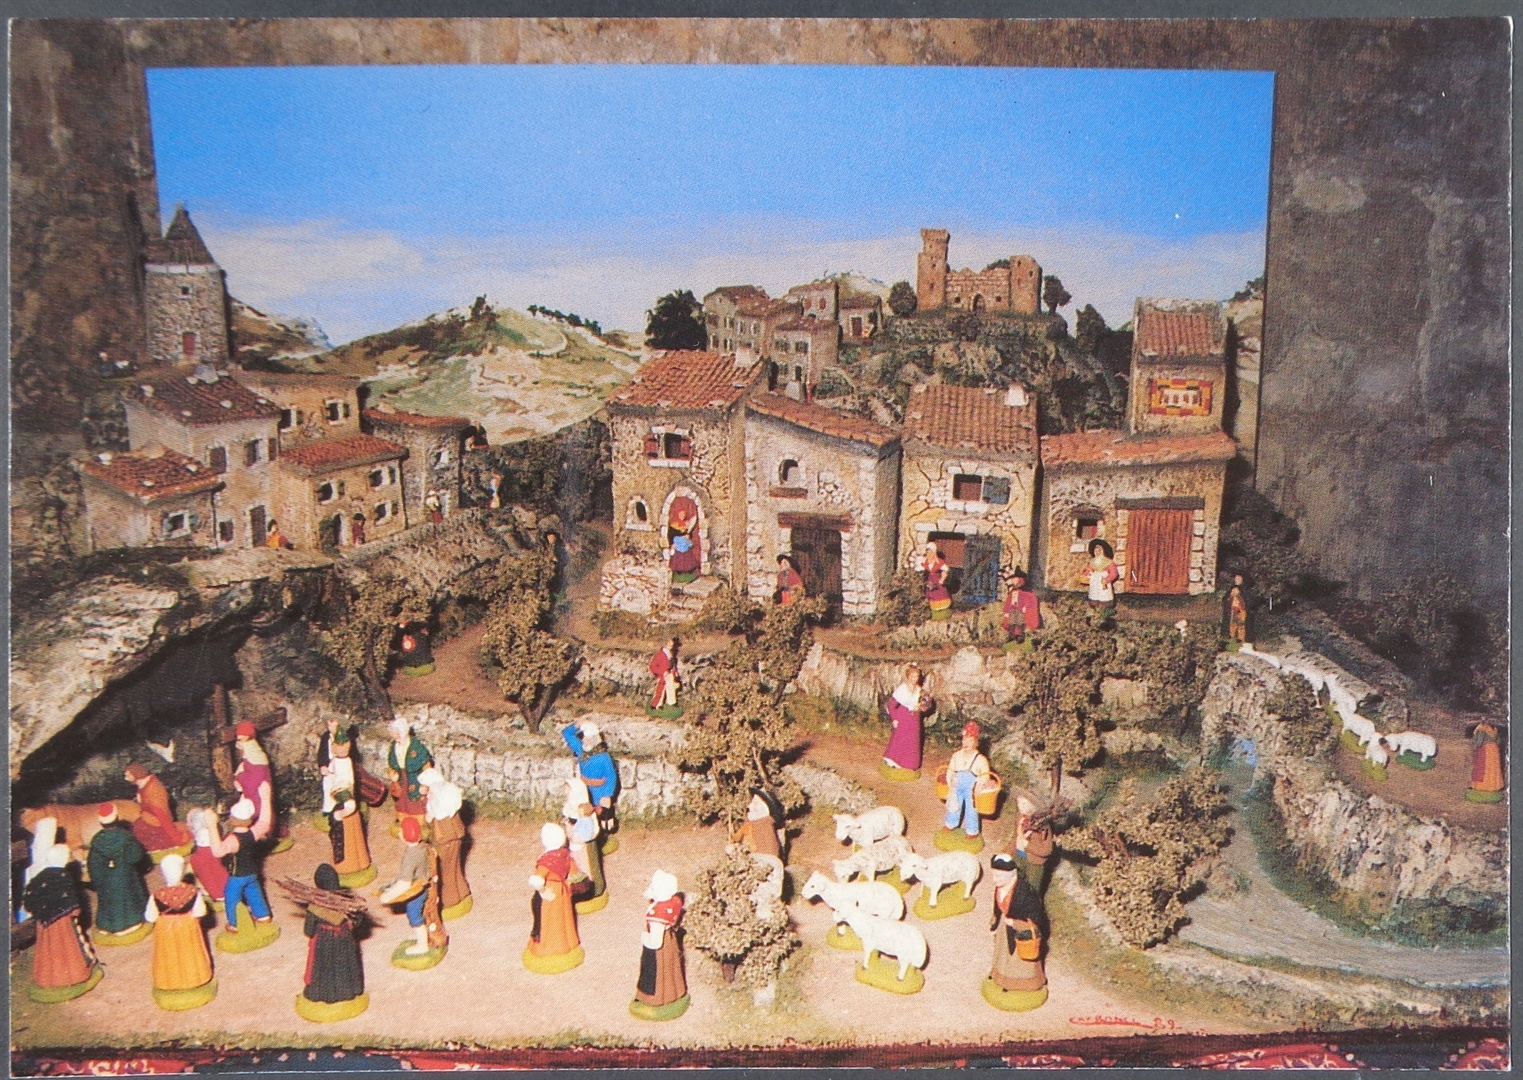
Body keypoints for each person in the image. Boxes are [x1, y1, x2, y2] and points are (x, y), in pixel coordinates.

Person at [22, 844, 100, 1000]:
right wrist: (75, 912)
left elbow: (29, 900)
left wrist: (41, 914)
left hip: (44, 924)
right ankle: (71, 976)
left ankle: (47, 978)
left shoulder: (39, 877)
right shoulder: (64, 877)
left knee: (48, 949)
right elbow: (72, 902)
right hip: (62, 923)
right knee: (66, 948)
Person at [145, 854, 215, 1009]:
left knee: (168, 956)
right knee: (190, 955)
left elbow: (150, 917)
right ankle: (194, 979)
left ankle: (170, 982)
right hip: (187, 927)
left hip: (165, 930)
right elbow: (200, 912)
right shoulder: (192, 892)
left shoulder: (157, 895)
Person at [202, 799, 276, 941]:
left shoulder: (233, 839)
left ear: (232, 819)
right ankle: (263, 916)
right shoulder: (253, 832)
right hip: (252, 873)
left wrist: (211, 826)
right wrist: (265, 797)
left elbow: (218, 851)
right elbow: (265, 822)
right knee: (254, 893)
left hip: (237, 876)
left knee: (231, 897)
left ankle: (235, 924)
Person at [379, 817, 447, 961]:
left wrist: (388, 896)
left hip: (417, 891)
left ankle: (422, 945)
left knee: (415, 916)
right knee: (420, 914)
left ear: (404, 835)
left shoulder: (411, 856)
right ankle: (421, 935)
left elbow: (404, 883)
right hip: (424, 885)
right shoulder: (423, 847)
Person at [300, 864, 366, 1011]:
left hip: (324, 941)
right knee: (345, 966)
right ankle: (348, 991)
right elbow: (358, 919)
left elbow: (308, 930)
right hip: (344, 938)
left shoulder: (315, 905)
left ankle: (322, 994)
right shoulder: (346, 901)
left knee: (324, 969)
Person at [986, 853, 1048, 1007]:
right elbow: (997, 907)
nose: (994, 880)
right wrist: (995, 923)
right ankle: (1000, 978)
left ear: (1009, 875)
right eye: (994, 875)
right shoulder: (1000, 888)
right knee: (1002, 954)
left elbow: (1036, 918)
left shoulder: (1026, 893)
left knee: (1020, 962)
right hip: (1004, 927)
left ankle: (1022, 984)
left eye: (998, 876)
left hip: (1020, 934)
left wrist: (1015, 923)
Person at [86, 803, 149, 942]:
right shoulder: (126, 837)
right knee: (129, 899)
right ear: (117, 818)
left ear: (101, 822)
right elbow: (136, 857)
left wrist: (98, 880)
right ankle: (131, 923)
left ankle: (108, 926)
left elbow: (93, 864)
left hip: (106, 880)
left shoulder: (96, 841)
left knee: (108, 901)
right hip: (125, 876)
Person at [525, 822, 581, 968]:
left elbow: (537, 880)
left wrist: (543, 891)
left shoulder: (547, 862)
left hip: (549, 892)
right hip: (562, 891)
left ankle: (547, 948)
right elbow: (575, 874)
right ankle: (565, 944)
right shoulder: (567, 856)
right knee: (562, 918)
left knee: (548, 921)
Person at [632, 870, 687, 1017]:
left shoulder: (658, 914)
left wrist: (645, 938)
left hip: (659, 947)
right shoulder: (675, 901)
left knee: (656, 972)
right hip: (670, 939)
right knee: (671, 968)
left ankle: (656, 999)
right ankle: (674, 993)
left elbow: (655, 943)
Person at [419, 765, 470, 916]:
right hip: (451, 836)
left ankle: (449, 900)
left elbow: (434, 813)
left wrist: (429, 817)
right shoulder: (442, 794)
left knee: (445, 869)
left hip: (445, 839)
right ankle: (461, 893)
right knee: (454, 867)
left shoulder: (438, 799)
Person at [326, 731, 373, 887]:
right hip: (340, 802)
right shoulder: (339, 762)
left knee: (348, 843)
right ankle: (349, 864)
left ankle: (349, 865)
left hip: (345, 808)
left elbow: (350, 802)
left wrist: (341, 814)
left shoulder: (345, 769)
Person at [562, 720, 620, 834]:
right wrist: (577, 725)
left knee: (602, 816)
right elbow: (567, 734)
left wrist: (607, 795)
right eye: (583, 737)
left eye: (587, 738)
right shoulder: (581, 749)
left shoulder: (604, 757)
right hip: (584, 789)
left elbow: (611, 777)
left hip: (599, 791)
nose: (584, 740)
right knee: (583, 813)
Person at [124, 764, 191, 854]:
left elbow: (160, 813)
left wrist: (174, 836)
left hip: (157, 820)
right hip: (148, 816)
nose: (126, 778)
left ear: (136, 774)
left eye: (128, 775)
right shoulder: (142, 785)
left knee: (143, 830)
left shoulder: (153, 790)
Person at [883, 664, 935, 774]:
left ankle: (909, 764)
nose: (914, 679)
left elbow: (927, 703)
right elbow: (891, 705)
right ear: (908, 677)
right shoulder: (902, 689)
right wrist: (894, 719)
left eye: (916, 677)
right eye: (912, 676)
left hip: (914, 719)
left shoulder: (920, 691)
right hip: (903, 718)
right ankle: (894, 762)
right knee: (900, 740)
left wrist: (920, 707)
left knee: (912, 742)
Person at [387, 716, 434, 837]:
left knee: (416, 801)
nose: (396, 737)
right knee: (402, 801)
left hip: (415, 778)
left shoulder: (416, 747)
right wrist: (392, 773)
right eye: (394, 735)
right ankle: (404, 823)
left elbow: (426, 765)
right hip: (401, 778)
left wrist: (425, 783)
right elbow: (390, 764)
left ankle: (419, 825)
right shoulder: (394, 746)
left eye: (397, 734)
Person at [944, 722, 991, 839]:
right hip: (957, 786)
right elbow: (951, 769)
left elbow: (985, 775)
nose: (966, 743)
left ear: (976, 742)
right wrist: (950, 780)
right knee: (954, 805)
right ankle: (950, 824)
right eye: (964, 740)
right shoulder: (956, 756)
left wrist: (979, 784)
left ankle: (972, 830)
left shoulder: (980, 759)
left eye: (970, 740)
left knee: (972, 809)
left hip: (972, 789)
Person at [562, 778, 604, 904]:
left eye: (568, 791)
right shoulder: (570, 807)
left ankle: (590, 887)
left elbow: (588, 831)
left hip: (583, 846)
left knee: (586, 867)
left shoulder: (585, 810)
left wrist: (575, 832)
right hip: (574, 845)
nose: (566, 793)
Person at [232, 722, 275, 842]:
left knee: (260, 811)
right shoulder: (249, 750)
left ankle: (261, 837)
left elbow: (254, 779)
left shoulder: (253, 753)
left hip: (257, 790)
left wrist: (239, 777)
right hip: (253, 788)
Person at [185, 807, 229, 910]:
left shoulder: (197, 857)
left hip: (216, 893)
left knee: (204, 871)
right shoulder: (217, 846)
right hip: (228, 888)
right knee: (216, 869)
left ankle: (214, 893)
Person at [733, 792, 783, 860]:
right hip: (767, 858)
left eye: (755, 803)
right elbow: (737, 837)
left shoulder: (761, 823)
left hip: (762, 859)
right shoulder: (754, 823)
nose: (750, 806)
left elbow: (736, 838)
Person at [1469, 721, 1505, 801]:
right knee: (1493, 768)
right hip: (1494, 750)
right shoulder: (1494, 729)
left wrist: (1475, 748)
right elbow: (1499, 741)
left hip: (1486, 750)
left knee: (1483, 768)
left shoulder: (1482, 729)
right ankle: (1494, 785)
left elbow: (1478, 742)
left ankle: (1483, 786)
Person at [1001, 570, 1041, 642]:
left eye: (1016, 579)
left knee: (1019, 624)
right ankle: (1013, 636)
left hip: (1021, 614)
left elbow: (1030, 603)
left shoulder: (1028, 594)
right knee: (1012, 624)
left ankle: (1019, 636)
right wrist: (1007, 612)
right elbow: (1009, 603)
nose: (1014, 581)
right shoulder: (1013, 592)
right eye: (1014, 579)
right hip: (1013, 613)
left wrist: (1024, 609)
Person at [666, 508, 701, 583]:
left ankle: (688, 569)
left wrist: (688, 536)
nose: (682, 516)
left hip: (685, 543)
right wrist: (672, 544)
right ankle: (678, 570)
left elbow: (689, 534)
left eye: (684, 514)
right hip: (677, 542)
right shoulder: (674, 524)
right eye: (681, 514)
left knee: (687, 555)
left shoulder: (686, 524)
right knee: (678, 556)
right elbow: (671, 535)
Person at [1081, 539, 1120, 607]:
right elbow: (1088, 570)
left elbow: (1114, 573)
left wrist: (1107, 579)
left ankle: (1105, 607)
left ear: (1103, 551)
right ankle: (1094, 605)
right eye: (1096, 551)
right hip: (1094, 581)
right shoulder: (1092, 561)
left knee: (1104, 594)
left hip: (1104, 581)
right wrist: (1084, 575)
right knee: (1094, 593)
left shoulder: (1109, 562)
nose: (1097, 552)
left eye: (1099, 551)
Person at [648, 639, 681, 715]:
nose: (671, 646)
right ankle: (657, 705)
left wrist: (674, 672)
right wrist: (662, 672)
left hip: (670, 674)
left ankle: (672, 703)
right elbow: (652, 666)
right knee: (660, 690)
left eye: (672, 645)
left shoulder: (671, 654)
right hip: (663, 675)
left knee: (671, 688)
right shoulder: (660, 654)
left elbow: (673, 665)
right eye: (669, 644)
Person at [921, 542, 952, 620]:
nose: (929, 554)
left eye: (930, 552)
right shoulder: (925, 562)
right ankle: (934, 614)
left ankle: (944, 613)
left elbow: (945, 571)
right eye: (927, 552)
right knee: (932, 595)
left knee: (940, 594)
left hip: (937, 581)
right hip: (930, 581)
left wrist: (942, 579)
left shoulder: (939, 562)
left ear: (934, 553)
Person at [1224, 573, 1250, 644]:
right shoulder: (1232, 588)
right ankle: (1232, 636)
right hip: (1234, 609)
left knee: (1241, 624)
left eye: (1239, 579)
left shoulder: (1244, 590)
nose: (1237, 580)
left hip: (1241, 609)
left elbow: (1245, 599)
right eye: (1236, 579)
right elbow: (1228, 598)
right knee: (1233, 623)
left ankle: (1240, 638)